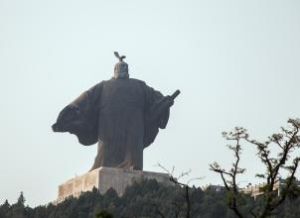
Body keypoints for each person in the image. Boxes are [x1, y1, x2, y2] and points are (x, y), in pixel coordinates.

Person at [52, 52, 178, 171]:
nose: (122, 71)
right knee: (107, 160)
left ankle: (130, 166)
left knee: (129, 162)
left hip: (131, 132)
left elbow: (158, 100)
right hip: (109, 131)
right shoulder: (107, 86)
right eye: (121, 68)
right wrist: (69, 115)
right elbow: (85, 99)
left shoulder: (138, 86)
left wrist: (165, 103)